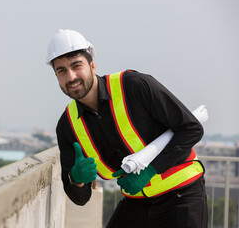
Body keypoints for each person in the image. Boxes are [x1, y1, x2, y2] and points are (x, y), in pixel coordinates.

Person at [46, 29, 208, 228]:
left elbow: (191, 129)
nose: (71, 77)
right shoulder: (67, 125)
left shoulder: (134, 86)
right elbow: (79, 198)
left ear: (92, 65)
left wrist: (150, 171)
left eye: (76, 66)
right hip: (137, 201)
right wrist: (77, 179)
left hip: (182, 194)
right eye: (61, 71)